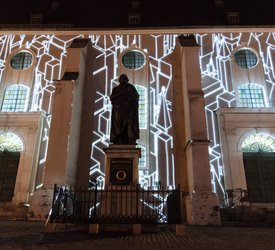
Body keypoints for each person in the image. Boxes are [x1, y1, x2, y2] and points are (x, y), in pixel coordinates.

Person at [110, 74, 139, 145]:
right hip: (118, 111)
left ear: (126, 80)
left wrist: (128, 98)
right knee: (118, 127)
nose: (123, 80)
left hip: (128, 111)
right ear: (119, 80)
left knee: (129, 125)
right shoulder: (116, 89)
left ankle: (130, 140)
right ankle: (118, 140)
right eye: (121, 79)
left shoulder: (131, 88)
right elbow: (111, 97)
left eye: (124, 78)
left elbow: (136, 96)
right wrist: (119, 94)